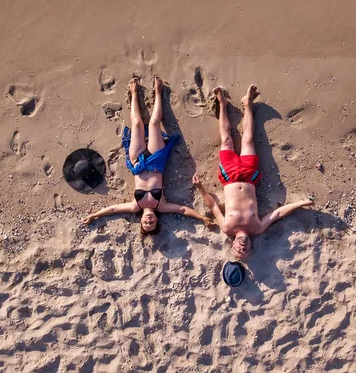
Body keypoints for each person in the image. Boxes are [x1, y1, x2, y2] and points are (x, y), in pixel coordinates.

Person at [192, 84, 314, 257]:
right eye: (246, 250)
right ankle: (247, 103)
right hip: (249, 176)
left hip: (230, 176)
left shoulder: (227, 227)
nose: (242, 247)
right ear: (250, 246)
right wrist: (301, 203)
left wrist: (201, 187)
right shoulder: (257, 228)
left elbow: (212, 205)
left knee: (226, 140)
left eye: (239, 250)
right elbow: (277, 214)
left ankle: (222, 103)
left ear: (233, 244)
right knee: (248, 139)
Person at [82, 76, 211, 234]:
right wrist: (201, 218)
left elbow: (114, 209)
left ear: (141, 220)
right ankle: (158, 92)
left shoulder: (135, 205)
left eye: (145, 223)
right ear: (157, 220)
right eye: (152, 223)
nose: (149, 221)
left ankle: (134, 93)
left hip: (138, 162)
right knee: (153, 123)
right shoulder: (161, 206)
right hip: (157, 161)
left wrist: (94, 215)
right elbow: (183, 210)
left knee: (137, 124)